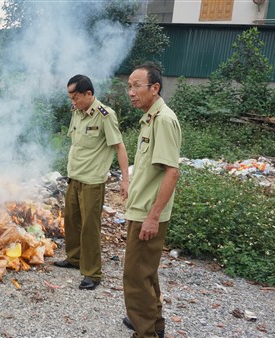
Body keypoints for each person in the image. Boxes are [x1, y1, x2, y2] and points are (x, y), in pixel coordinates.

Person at [122, 63, 181, 338]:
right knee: (146, 273)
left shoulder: (164, 120)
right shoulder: (149, 118)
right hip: (140, 209)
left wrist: (153, 216)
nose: (131, 92)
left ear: (154, 88)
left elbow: (172, 172)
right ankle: (155, 326)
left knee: (135, 277)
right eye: (129, 86)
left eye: (136, 86)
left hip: (148, 213)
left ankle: (144, 333)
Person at [54, 74, 129, 290]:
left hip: (93, 181)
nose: (73, 102)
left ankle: (92, 273)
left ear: (89, 94)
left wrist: (125, 179)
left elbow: (119, 147)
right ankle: (74, 258)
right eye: (70, 98)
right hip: (74, 177)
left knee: (90, 227)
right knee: (72, 220)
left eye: (76, 97)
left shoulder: (105, 115)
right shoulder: (76, 113)